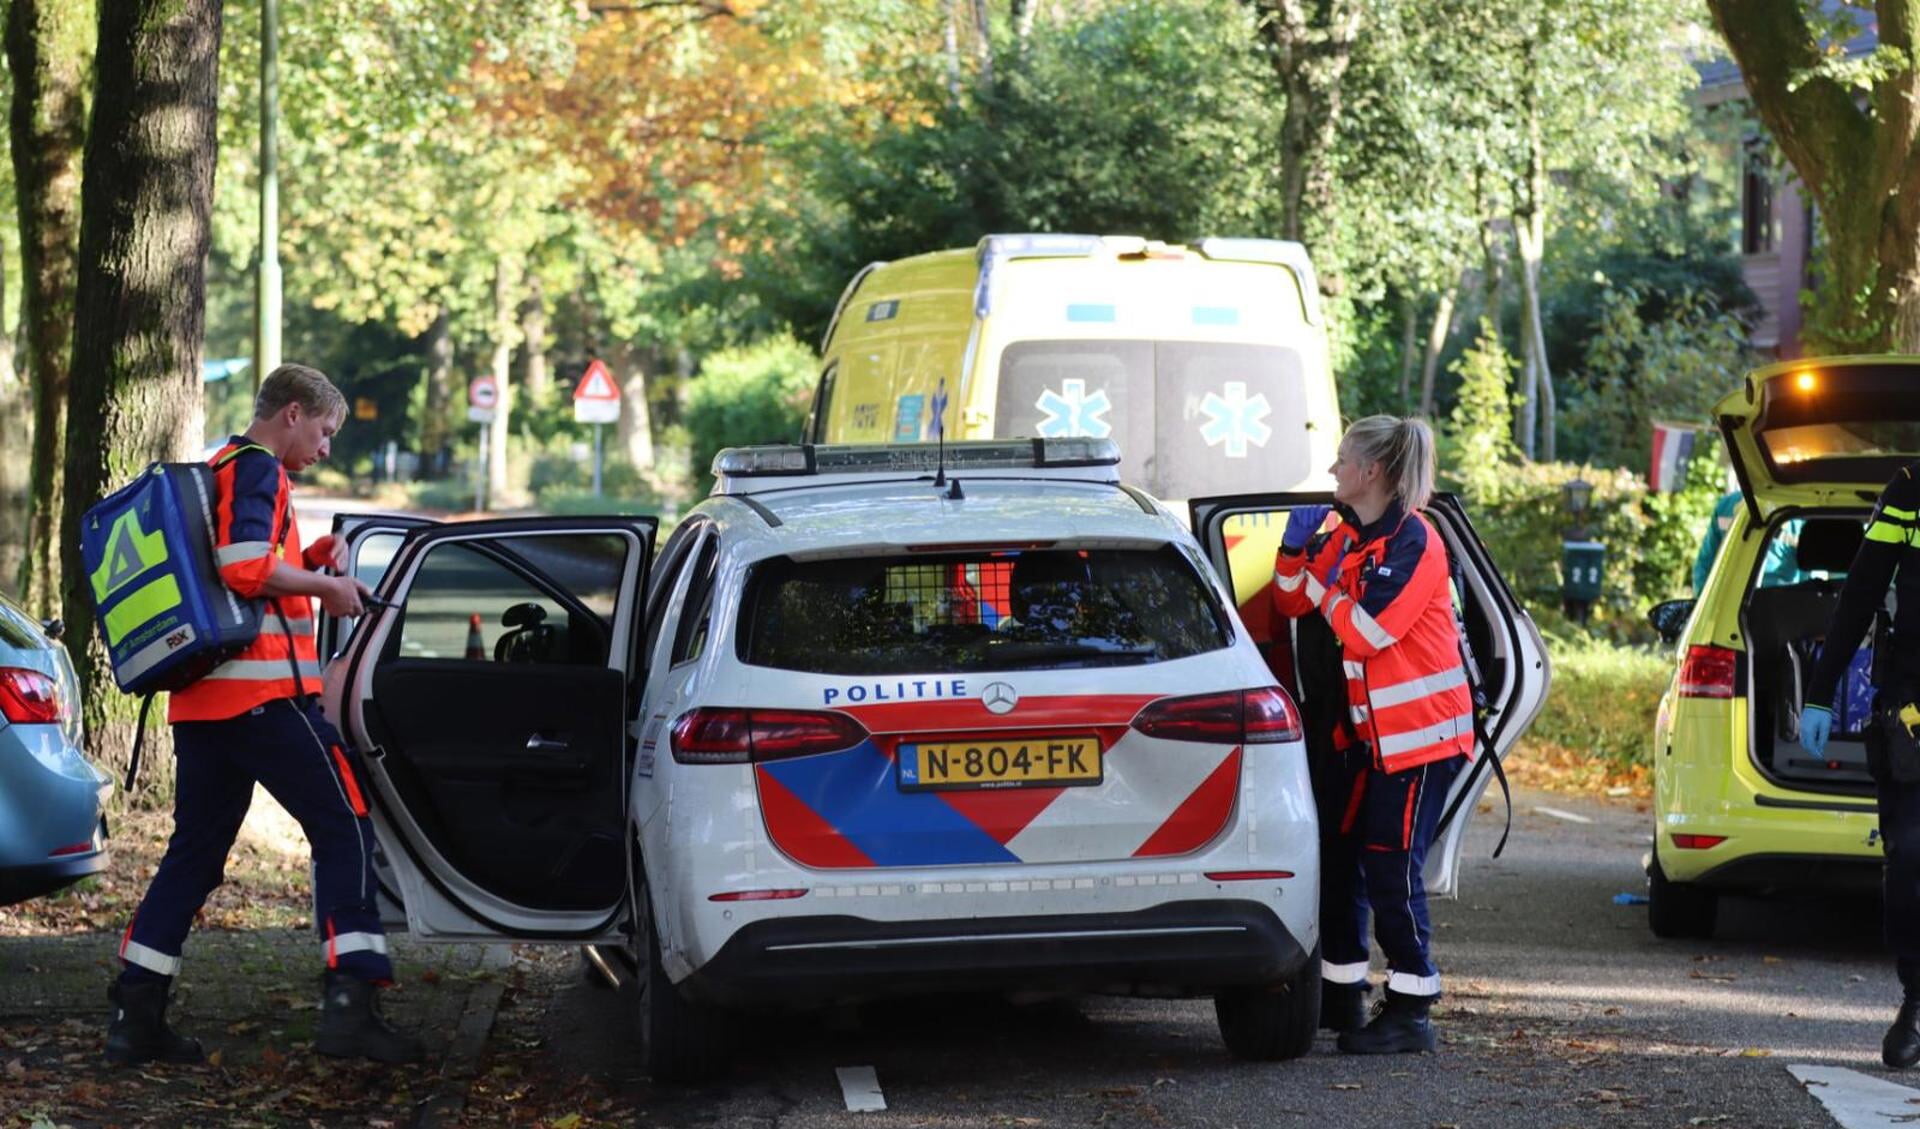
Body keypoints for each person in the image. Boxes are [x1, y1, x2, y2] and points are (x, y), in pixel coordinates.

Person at [105, 365, 423, 1067]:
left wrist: (308, 559)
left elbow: (242, 566)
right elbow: (246, 566)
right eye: (325, 431)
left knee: (193, 855)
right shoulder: (259, 471)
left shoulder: (220, 465)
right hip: (263, 700)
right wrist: (329, 587)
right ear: (291, 413)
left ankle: (137, 1011)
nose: (326, 448)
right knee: (344, 823)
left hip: (203, 707)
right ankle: (352, 1003)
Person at [1272, 415, 1475, 1055]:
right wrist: (1295, 554)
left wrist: (1324, 584)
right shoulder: (1353, 539)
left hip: (1423, 740)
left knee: (1391, 869)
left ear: (1372, 472)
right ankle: (1344, 999)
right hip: (1378, 741)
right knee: (1348, 865)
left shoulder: (1417, 540)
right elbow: (1290, 601)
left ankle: (1413, 1010)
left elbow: (1367, 631)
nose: (1332, 471)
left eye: (1340, 460)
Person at [1800, 459, 1920, 1070]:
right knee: (1911, 856)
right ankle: (1916, 998)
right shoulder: (1910, 488)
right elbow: (1861, 593)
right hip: (1913, 715)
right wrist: (1820, 691)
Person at [1694, 488, 1804, 592]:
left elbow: (1704, 566)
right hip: (1782, 602)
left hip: (1731, 602)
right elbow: (1812, 571)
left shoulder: (1726, 506)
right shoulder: (1799, 514)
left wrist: (1702, 602)